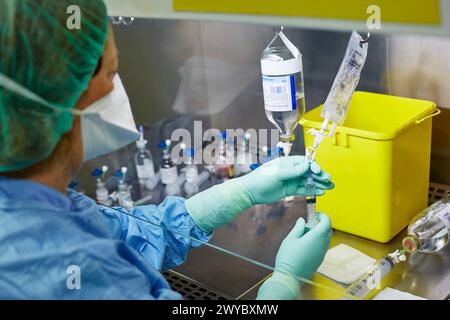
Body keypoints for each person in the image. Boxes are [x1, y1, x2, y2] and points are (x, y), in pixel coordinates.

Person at [0, 0, 334, 300]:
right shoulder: (67, 269)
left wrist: (235, 194)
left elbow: (126, 235)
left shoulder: (36, 202)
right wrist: (284, 284)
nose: (119, 91)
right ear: (59, 102)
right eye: (112, 73)